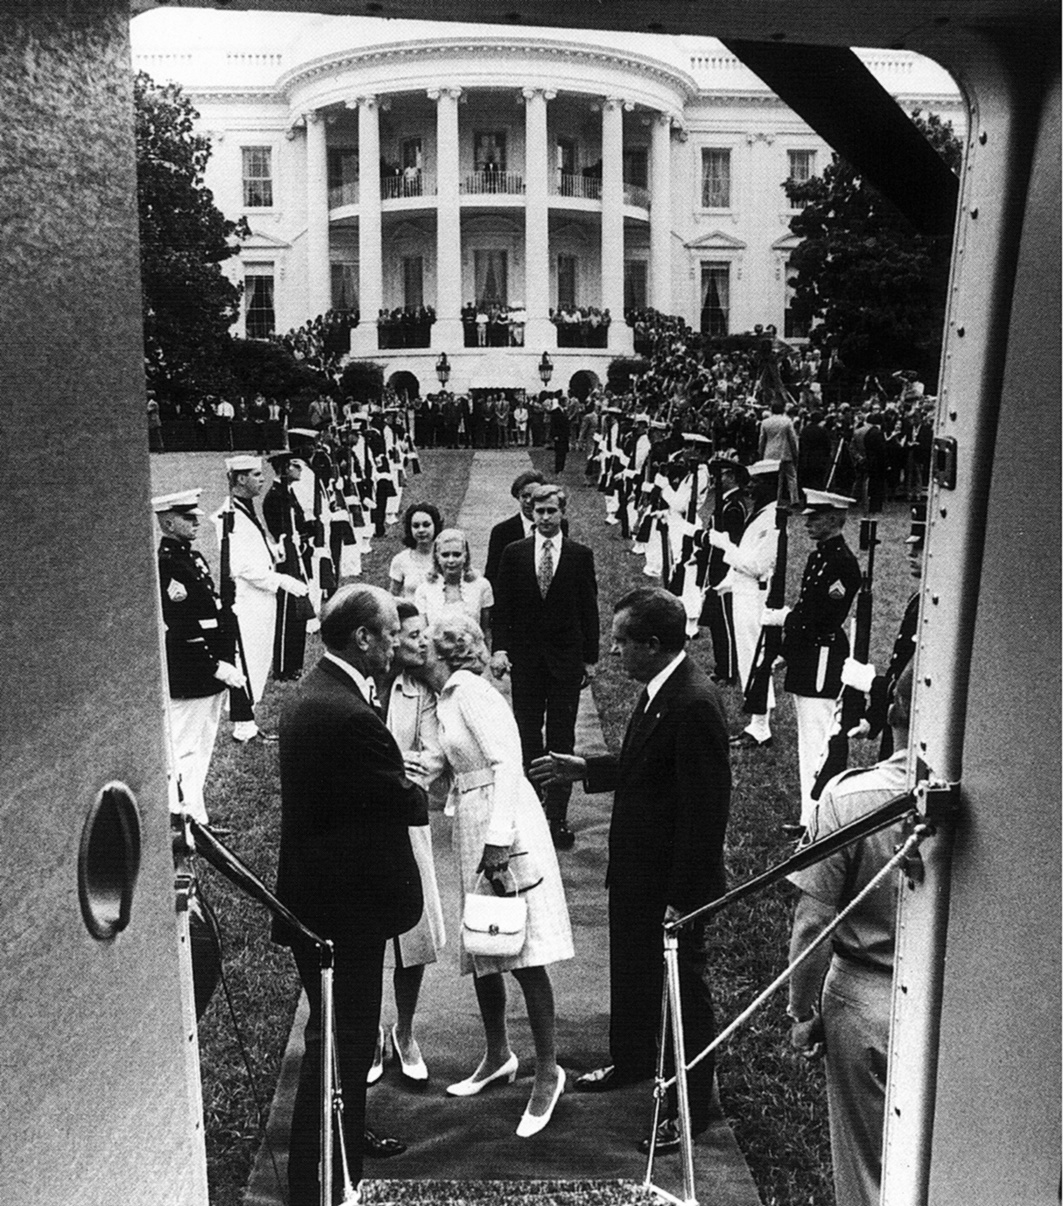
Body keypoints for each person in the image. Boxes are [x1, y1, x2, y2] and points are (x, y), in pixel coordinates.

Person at [530, 587, 730, 1153]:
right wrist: (587, 769)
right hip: (637, 870)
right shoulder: (660, 690)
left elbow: (704, 812)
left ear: (654, 643)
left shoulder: (692, 704)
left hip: (670, 881)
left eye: (622, 641)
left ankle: (690, 1105)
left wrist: (685, 896)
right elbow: (649, 768)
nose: (613, 652)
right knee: (634, 972)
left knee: (681, 988)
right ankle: (635, 1060)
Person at [273, 585, 426, 1205]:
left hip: (327, 899)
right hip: (345, 911)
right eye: (390, 634)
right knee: (341, 1040)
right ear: (363, 638)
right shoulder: (348, 713)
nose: (395, 644)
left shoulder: (320, 694)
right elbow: (401, 799)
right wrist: (411, 785)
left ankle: (342, 1142)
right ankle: (324, 1180)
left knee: (339, 1036)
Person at [420, 613, 573, 1137]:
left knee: (522, 950)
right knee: (485, 945)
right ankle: (498, 1054)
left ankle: (549, 1072)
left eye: (424, 643)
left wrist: (498, 841)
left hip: (503, 821)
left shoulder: (472, 692)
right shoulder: (445, 698)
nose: (414, 648)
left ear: (447, 653)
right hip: (472, 814)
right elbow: (446, 764)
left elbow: (509, 763)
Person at [786, 663, 918, 1206]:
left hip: (866, 996)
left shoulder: (849, 797)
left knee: (867, 1166)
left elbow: (814, 921)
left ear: (890, 712)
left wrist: (800, 1011)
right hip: (964, 1001)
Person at [490, 484, 599, 850]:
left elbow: (589, 608)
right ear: (530, 513)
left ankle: (557, 817)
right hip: (527, 661)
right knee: (527, 734)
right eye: (540, 512)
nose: (546, 518)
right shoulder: (514, 553)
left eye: (552, 511)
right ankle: (531, 807)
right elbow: (502, 606)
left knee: (561, 737)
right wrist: (501, 648)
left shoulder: (579, 555)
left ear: (562, 512)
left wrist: (590, 658)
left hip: (566, 661)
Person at [379, 601, 448, 1084]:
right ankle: (368, 1033)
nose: (421, 641)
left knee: (414, 933)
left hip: (407, 816)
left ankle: (404, 1031)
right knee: (364, 932)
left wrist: (389, 770)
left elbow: (430, 757)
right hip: (361, 820)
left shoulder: (419, 689)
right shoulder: (360, 682)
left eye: (424, 633)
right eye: (411, 634)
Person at [154, 489, 244, 827]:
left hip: (208, 669)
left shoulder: (192, 558)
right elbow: (181, 627)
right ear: (168, 522)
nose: (196, 522)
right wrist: (215, 665)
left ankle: (195, 815)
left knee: (202, 748)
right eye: (188, 518)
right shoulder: (167, 565)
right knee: (184, 750)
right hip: (192, 670)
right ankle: (179, 818)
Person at [777, 489, 861, 830]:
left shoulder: (841, 562)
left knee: (819, 740)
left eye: (814, 516)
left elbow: (820, 615)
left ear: (834, 519)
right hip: (809, 654)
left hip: (821, 656)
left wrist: (786, 632)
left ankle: (818, 820)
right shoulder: (821, 557)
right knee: (808, 740)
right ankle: (808, 815)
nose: (807, 522)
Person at [215, 454, 309, 742]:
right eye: (256, 474)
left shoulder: (245, 509)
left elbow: (254, 549)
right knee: (248, 658)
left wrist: (274, 552)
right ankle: (243, 725)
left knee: (257, 659)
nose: (262, 479)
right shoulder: (230, 514)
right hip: (248, 599)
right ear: (240, 479)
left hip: (260, 598)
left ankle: (247, 721)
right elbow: (239, 566)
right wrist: (282, 580)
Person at [709, 459, 780, 748]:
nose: (750, 486)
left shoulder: (773, 518)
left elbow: (756, 564)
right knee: (748, 656)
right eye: (751, 480)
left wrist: (725, 546)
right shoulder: (761, 513)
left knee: (754, 657)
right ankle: (756, 720)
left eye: (758, 481)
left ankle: (760, 726)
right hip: (744, 590)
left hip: (755, 593)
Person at [703, 458, 749, 686]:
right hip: (716, 566)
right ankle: (722, 667)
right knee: (716, 622)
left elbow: (731, 541)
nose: (717, 480)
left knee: (725, 624)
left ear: (731, 476)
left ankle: (729, 671)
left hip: (726, 568)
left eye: (721, 476)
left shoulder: (734, 506)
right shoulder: (726, 503)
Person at [413, 528, 494, 638]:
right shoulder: (425, 589)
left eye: (456, 554)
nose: (451, 560)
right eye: (445, 555)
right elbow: (422, 632)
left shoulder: (481, 586)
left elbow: (487, 629)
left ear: (465, 556)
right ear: (437, 557)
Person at [389, 502, 443, 599]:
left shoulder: (446, 558)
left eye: (426, 525)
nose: (421, 530)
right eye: (416, 526)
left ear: (435, 525)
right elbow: (393, 596)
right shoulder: (400, 560)